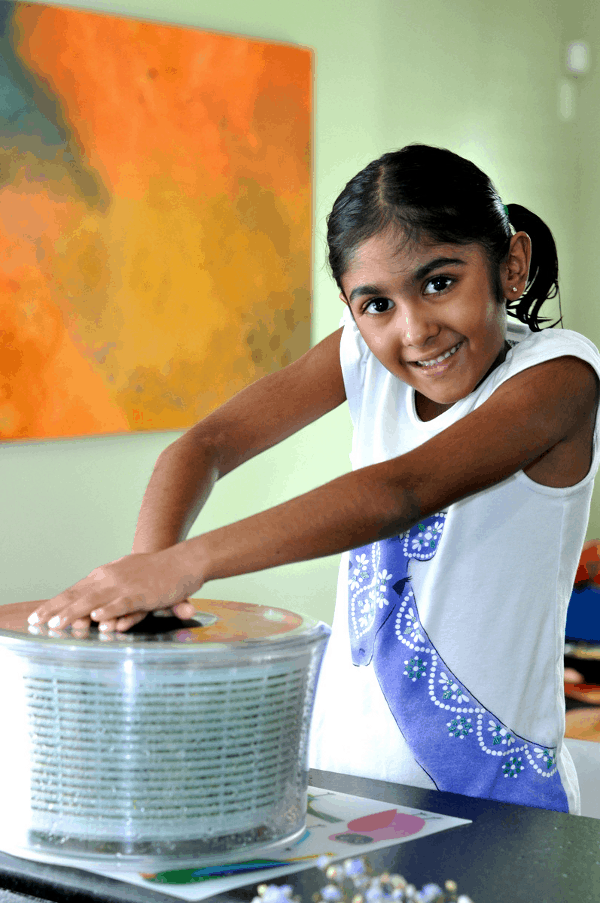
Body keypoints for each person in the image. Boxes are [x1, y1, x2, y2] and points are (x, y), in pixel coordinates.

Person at [29, 144, 600, 814]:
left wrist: (189, 562)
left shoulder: (560, 378)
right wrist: (148, 577)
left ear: (512, 265)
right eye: (377, 303)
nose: (414, 329)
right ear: (350, 307)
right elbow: (203, 445)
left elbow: (401, 491)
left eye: (440, 282)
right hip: (341, 789)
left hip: (498, 805)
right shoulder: (362, 351)